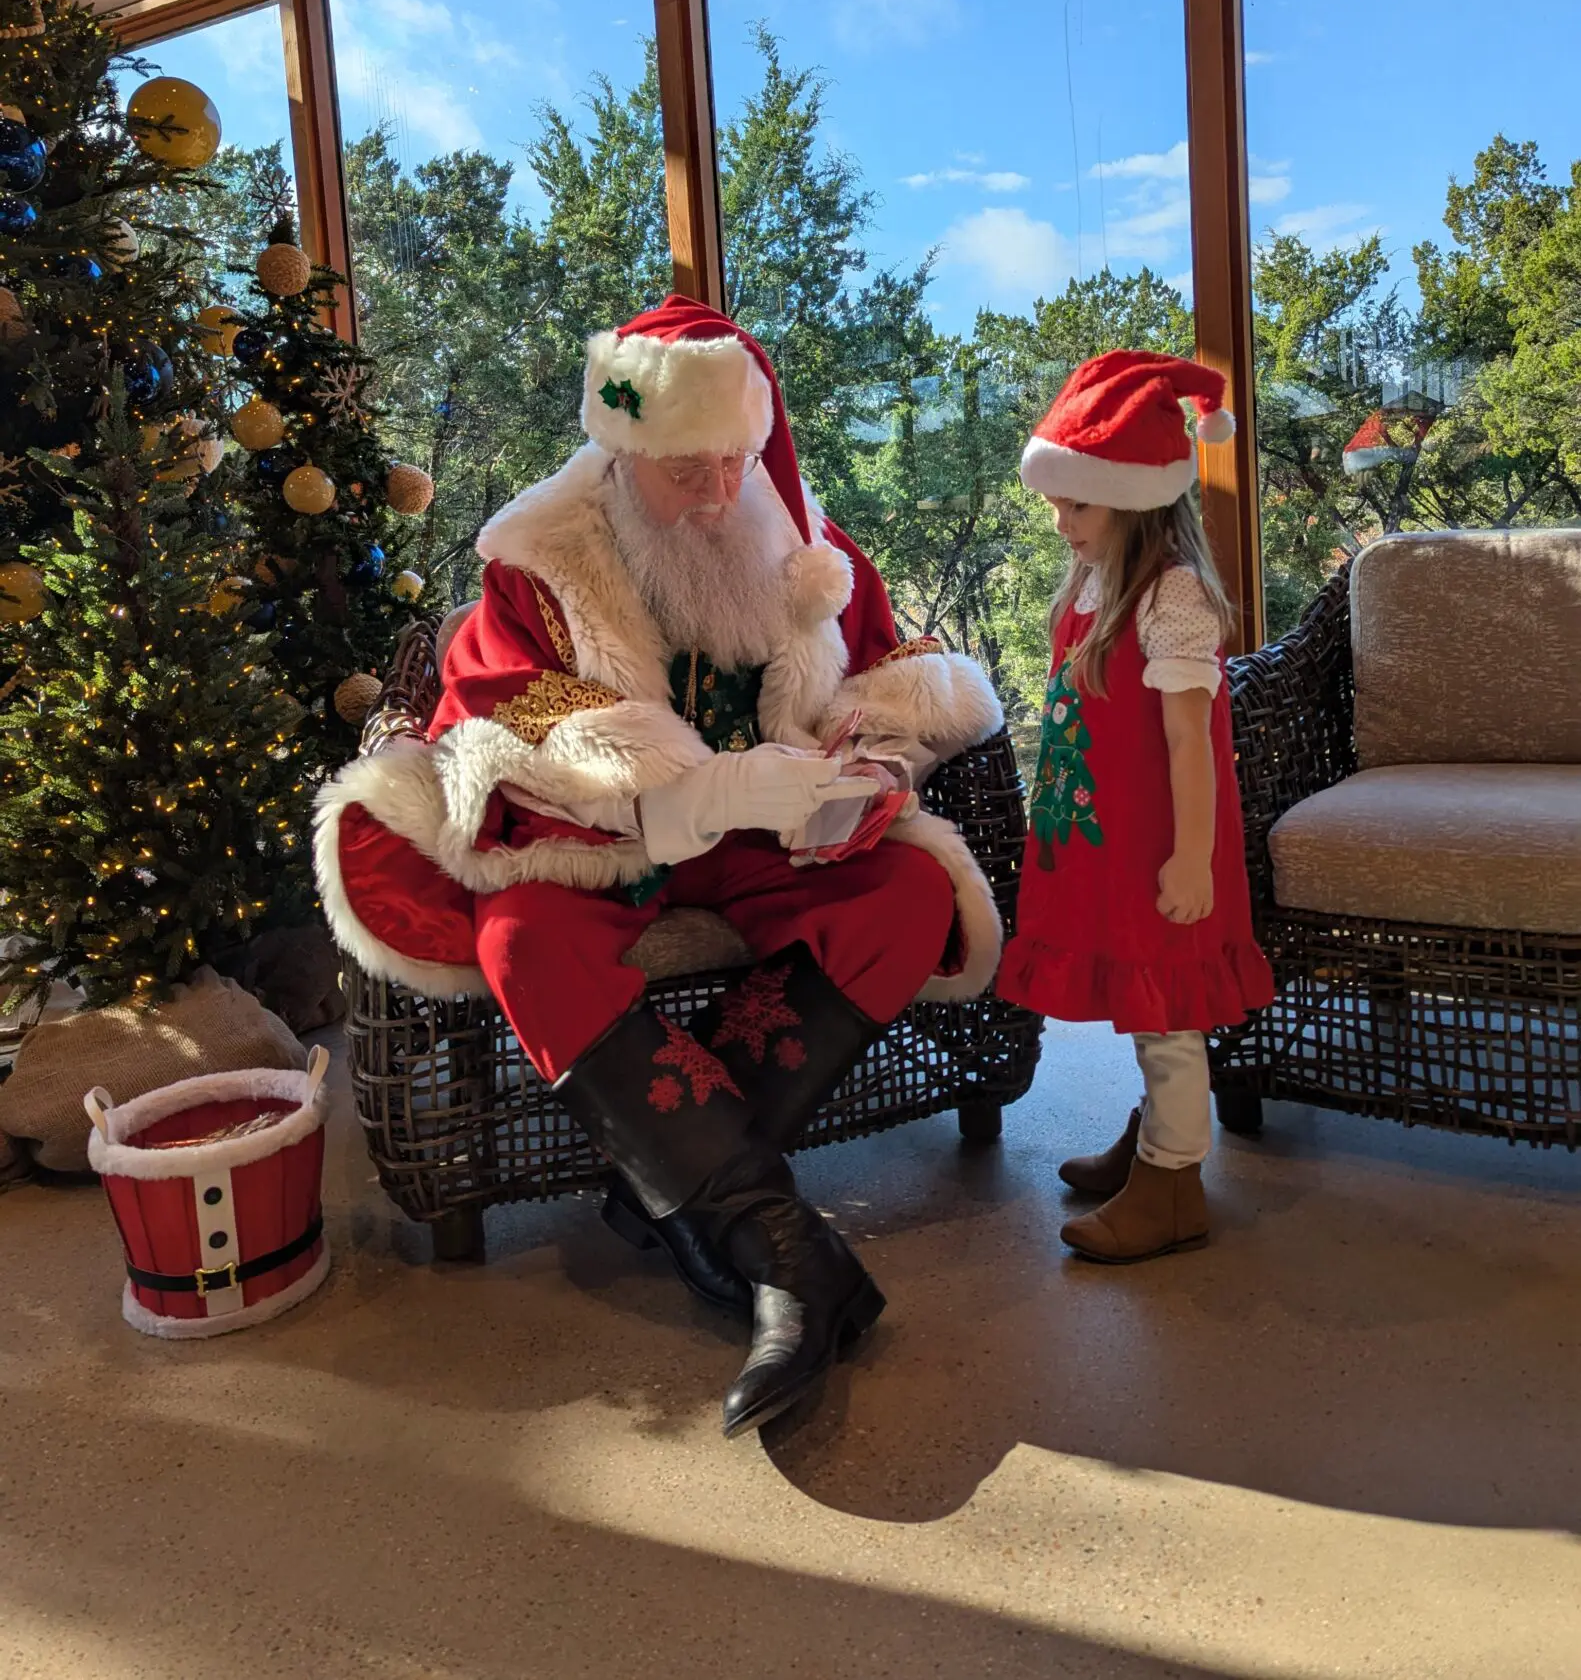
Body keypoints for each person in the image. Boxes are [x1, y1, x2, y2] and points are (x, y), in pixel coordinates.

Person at [314, 294, 1005, 1435]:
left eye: (736, 462)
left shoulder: (803, 548)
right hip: (611, 848)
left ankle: (685, 1198)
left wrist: (865, 760)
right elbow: (504, 727)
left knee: (912, 891)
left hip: (770, 848)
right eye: (690, 470)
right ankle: (782, 1250)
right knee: (521, 941)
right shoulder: (537, 570)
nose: (721, 494)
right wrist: (710, 788)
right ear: (623, 450)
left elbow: (891, 680)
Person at [996, 350, 1274, 1264]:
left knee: (1166, 1011)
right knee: (1142, 1001)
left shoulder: (1173, 597)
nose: (1059, 519)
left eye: (1076, 501)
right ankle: (1153, 1130)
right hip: (1104, 843)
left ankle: (1173, 1179)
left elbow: (1192, 746)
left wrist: (1190, 858)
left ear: (1134, 496)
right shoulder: (1093, 585)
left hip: (1161, 846)